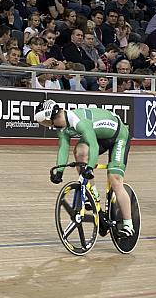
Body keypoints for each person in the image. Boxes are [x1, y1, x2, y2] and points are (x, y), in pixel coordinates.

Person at [33, 99, 135, 238]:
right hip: (100, 136)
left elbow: (93, 145)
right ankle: (93, 194)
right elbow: (63, 148)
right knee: (80, 152)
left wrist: (90, 168)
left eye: (44, 123)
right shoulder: (62, 128)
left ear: (50, 118)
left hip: (119, 136)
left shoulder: (79, 122)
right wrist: (59, 171)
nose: (45, 126)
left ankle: (128, 225)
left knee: (115, 179)